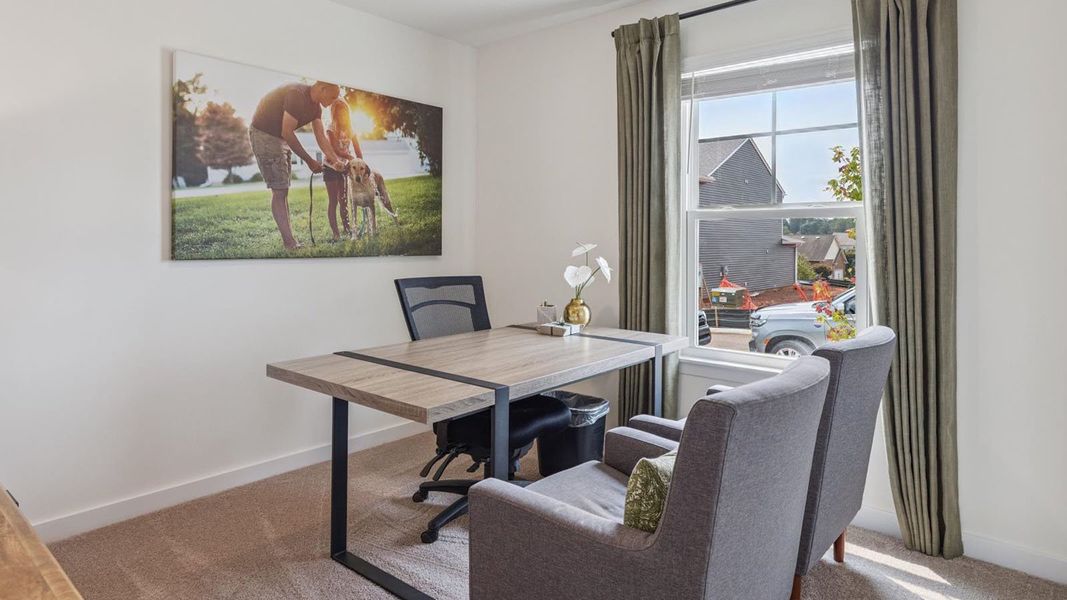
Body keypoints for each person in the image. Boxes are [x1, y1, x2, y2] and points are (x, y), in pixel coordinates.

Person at [249, 81, 344, 250]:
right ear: (322, 88)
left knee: (283, 189)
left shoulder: (316, 108)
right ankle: (289, 243)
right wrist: (309, 161)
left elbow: (321, 137)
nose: (333, 101)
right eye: (332, 97)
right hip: (265, 134)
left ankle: (290, 241)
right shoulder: (297, 95)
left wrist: (335, 160)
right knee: (279, 190)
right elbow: (287, 131)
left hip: (280, 136)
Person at [323, 98, 362, 241]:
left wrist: (360, 165)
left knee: (344, 199)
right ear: (334, 114)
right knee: (333, 201)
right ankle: (335, 233)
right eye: (339, 114)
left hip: (344, 168)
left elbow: (358, 150)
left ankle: (346, 228)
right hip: (330, 166)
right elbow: (336, 149)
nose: (342, 116)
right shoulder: (331, 128)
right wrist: (350, 156)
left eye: (344, 113)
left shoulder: (351, 129)